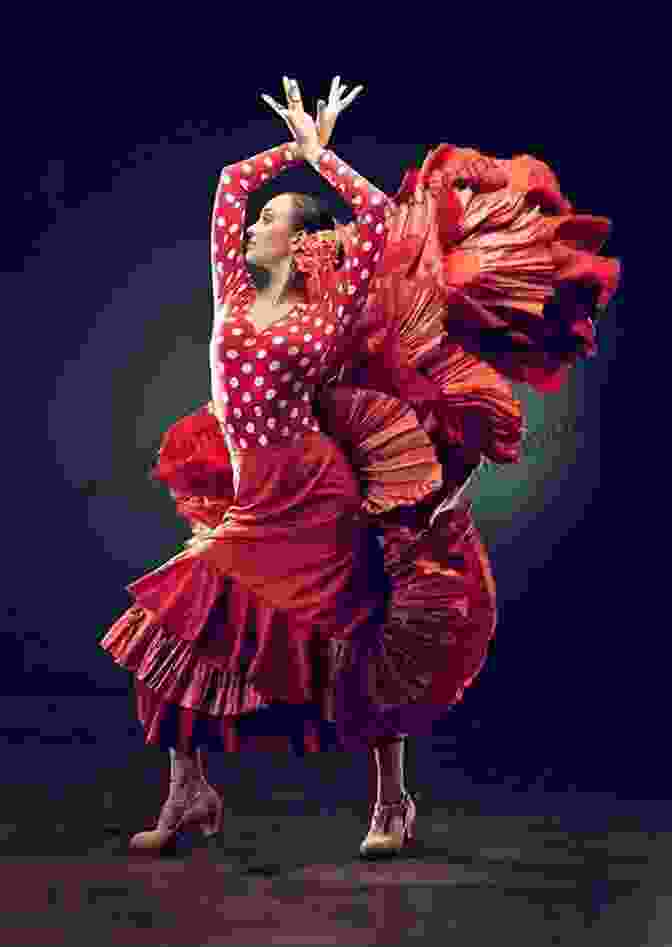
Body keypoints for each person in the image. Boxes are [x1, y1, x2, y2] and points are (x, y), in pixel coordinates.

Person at [101, 76, 621, 856]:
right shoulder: (232, 286)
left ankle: (392, 802)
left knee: (360, 638)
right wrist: (291, 147)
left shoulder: (326, 315)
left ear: (298, 236)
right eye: (261, 217)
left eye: (273, 217)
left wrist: (325, 158)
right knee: (175, 622)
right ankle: (189, 789)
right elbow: (228, 183)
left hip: (314, 488)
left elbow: (379, 220)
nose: (256, 223)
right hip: (255, 492)